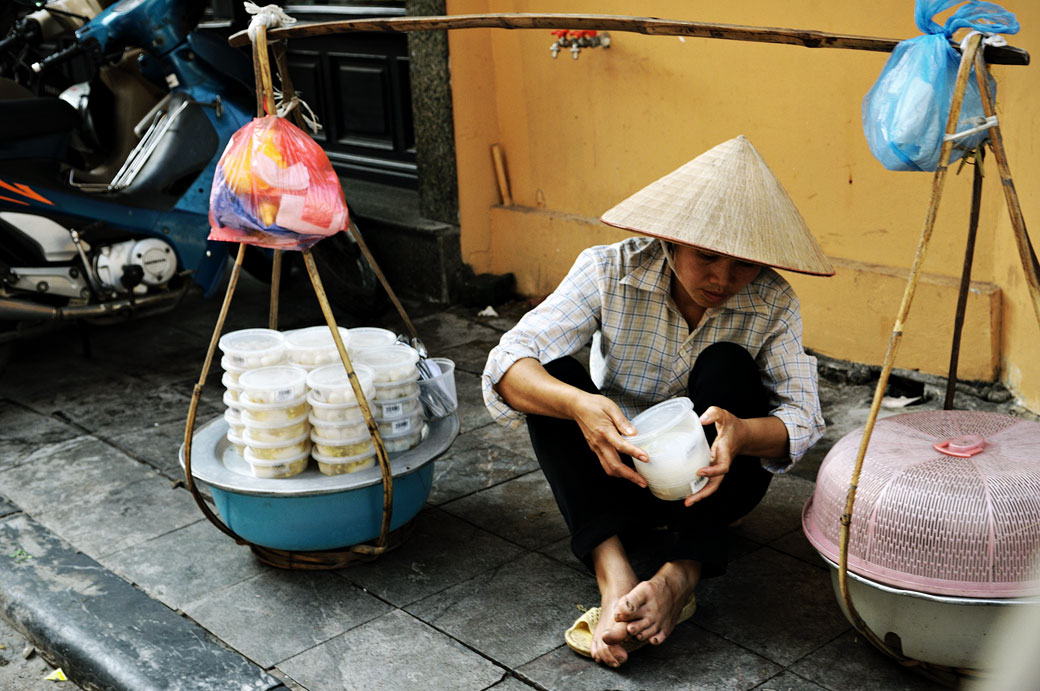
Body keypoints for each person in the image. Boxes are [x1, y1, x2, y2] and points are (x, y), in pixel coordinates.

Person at [481, 135, 834, 667]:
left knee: (725, 365)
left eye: (743, 265)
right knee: (554, 380)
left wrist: (742, 433)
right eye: (707, 257)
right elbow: (507, 365)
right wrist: (578, 406)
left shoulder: (773, 300)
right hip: (619, 472)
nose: (722, 279)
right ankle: (614, 572)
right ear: (671, 240)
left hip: (714, 486)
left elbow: (803, 416)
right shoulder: (608, 269)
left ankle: (679, 574)